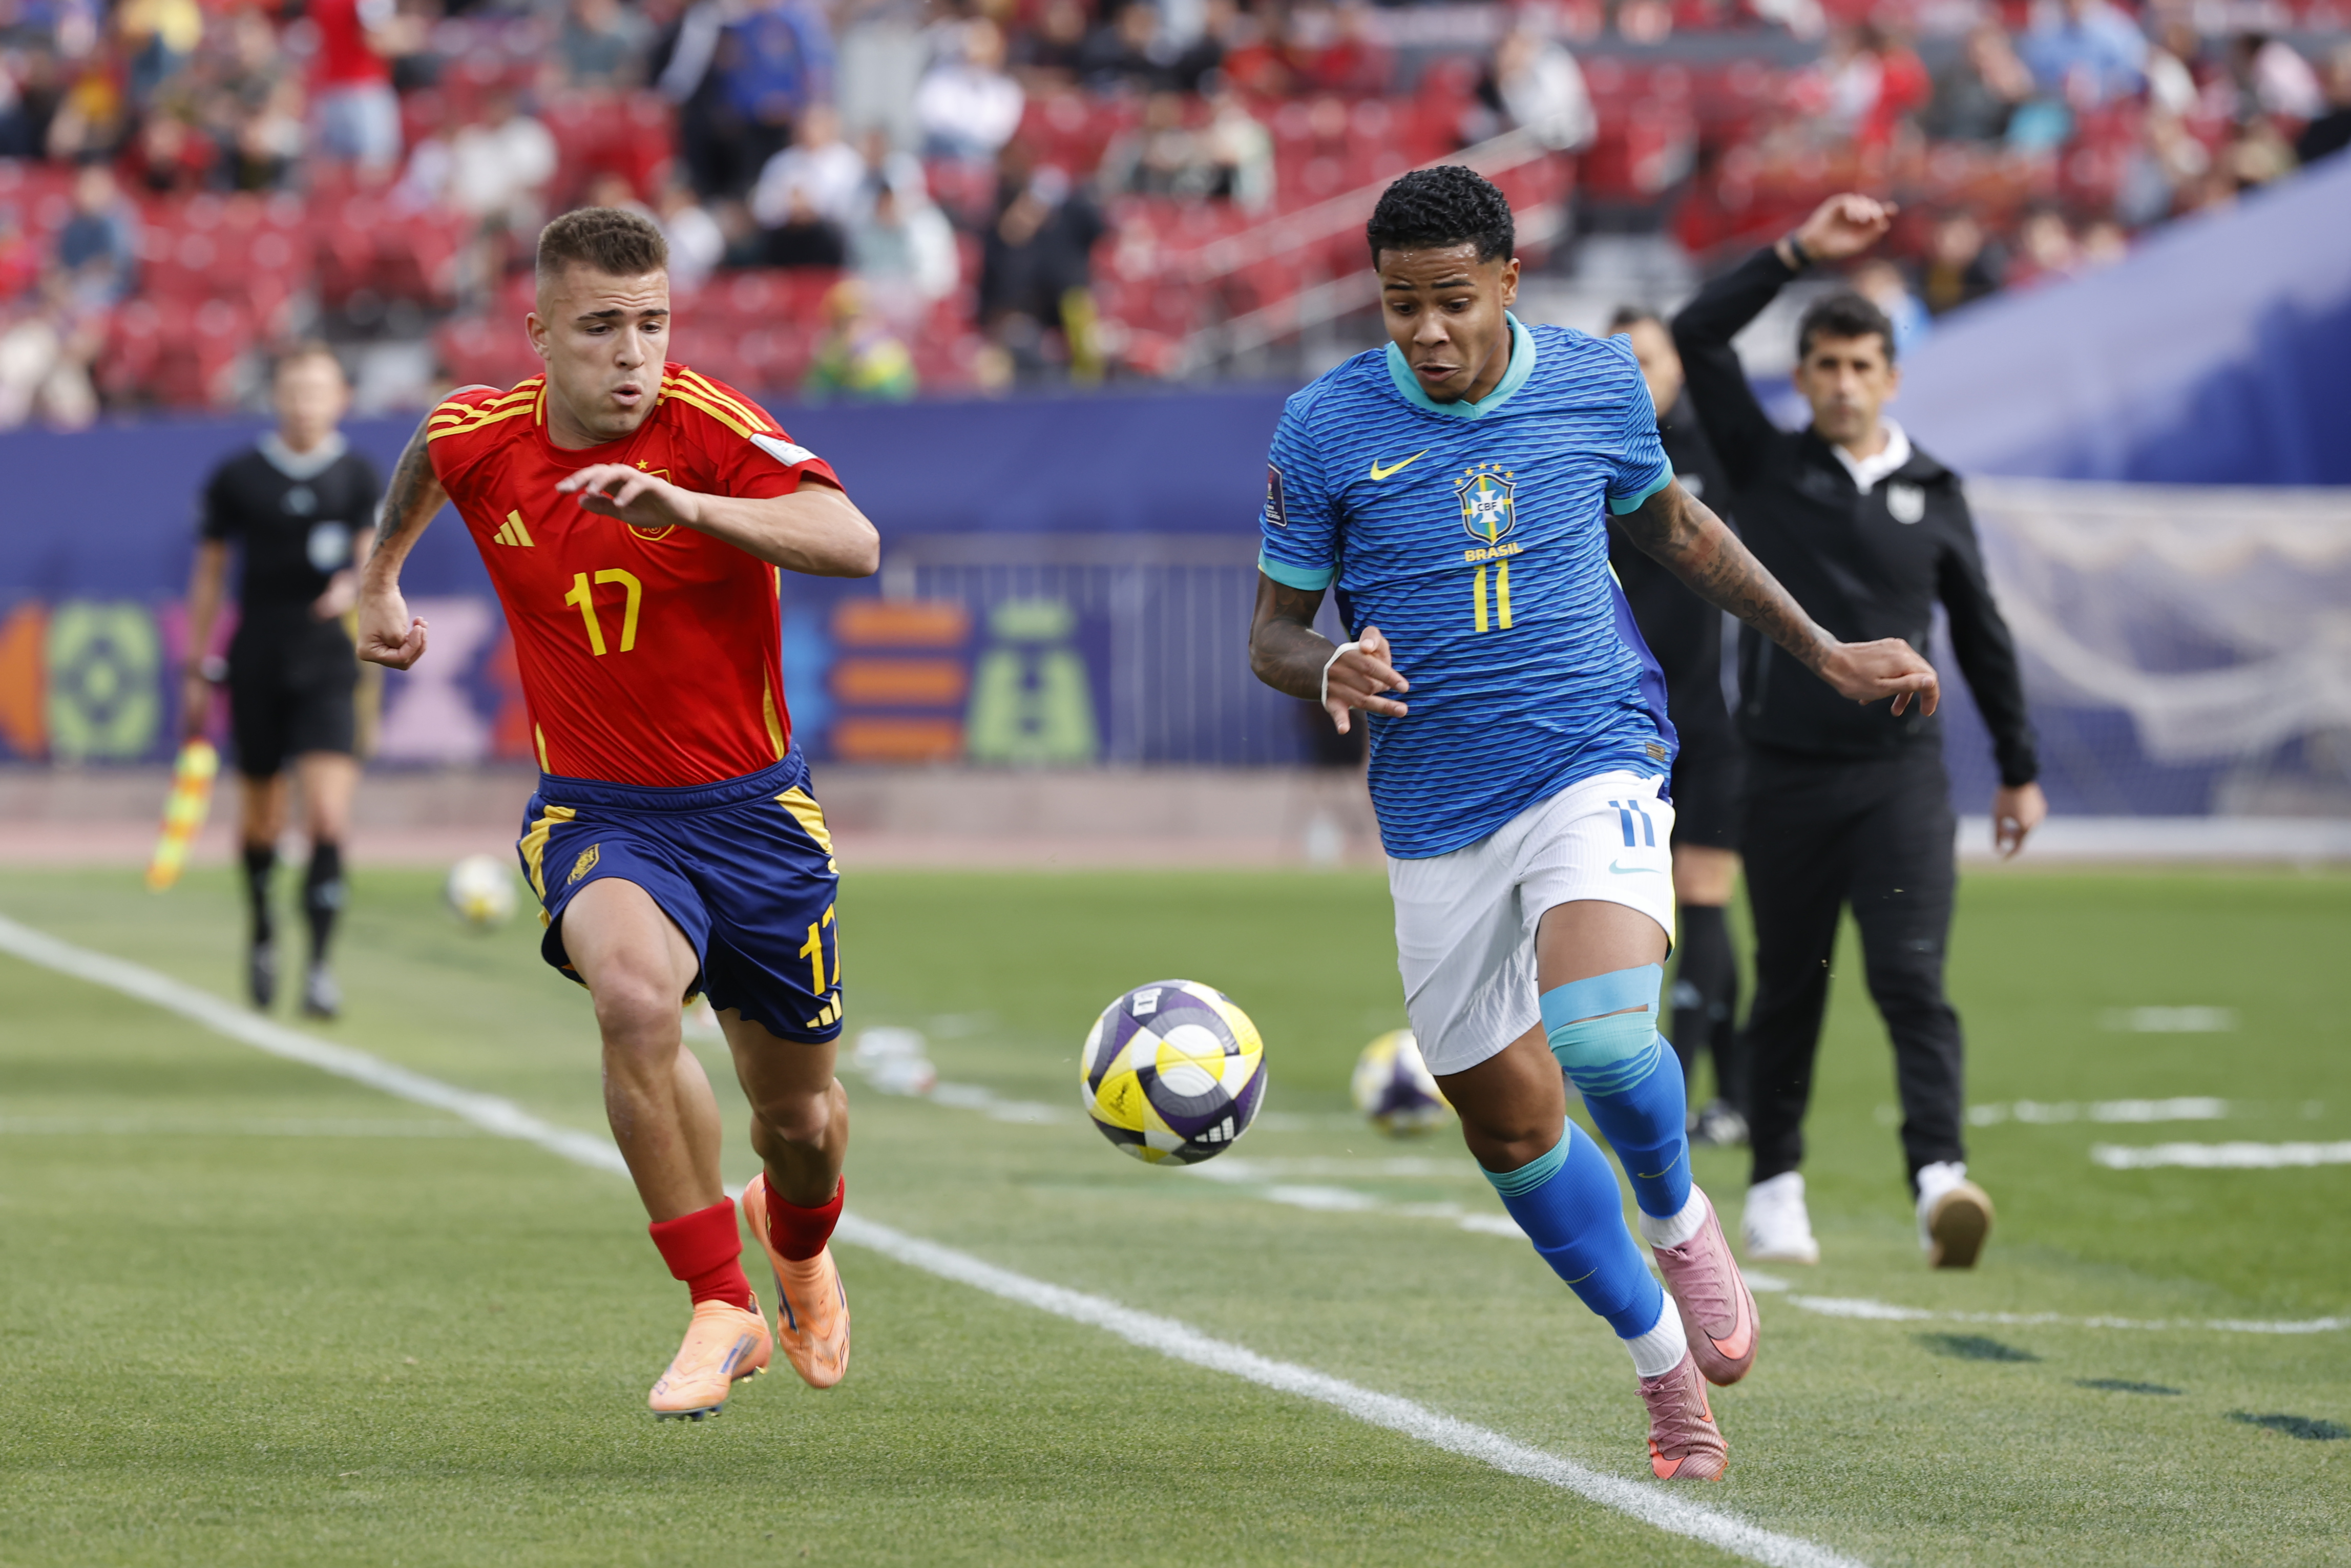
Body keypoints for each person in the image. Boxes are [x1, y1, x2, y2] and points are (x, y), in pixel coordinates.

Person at [1247, 166, 1939, 1479]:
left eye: (1453, 301)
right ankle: (1662, 1368)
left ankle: (1681, 1217)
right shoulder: (1324, 427)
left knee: (1605, 1038)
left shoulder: (1598, 385)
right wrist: (1324, 663)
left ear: (1510, 282)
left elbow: (1681, 532)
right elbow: (1272, 631)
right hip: (1435, 808)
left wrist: (1825, 650)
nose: (1428, 332)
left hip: (1593, 755)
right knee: (1507, 1127)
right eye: (1401, 307)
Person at [354, 208, 880, 1419]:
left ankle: (796, 1245)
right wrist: (379, 577)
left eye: (651, 323)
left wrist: (688, 510)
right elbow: (430, 459)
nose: (633, 353)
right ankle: (719, 1303)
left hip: (758, 819)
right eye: (601, 327)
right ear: (540, 332)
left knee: (798, 1120)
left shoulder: (710, 428)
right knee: (635, 998)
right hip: (599, 811)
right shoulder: (481, 434)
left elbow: (851, 540)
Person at [1670, 193, 2045, 1273]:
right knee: (1792, 983)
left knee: (1912, 980)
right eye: (1823, 366)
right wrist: (1793, 252)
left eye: (1859, 366)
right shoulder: (1764, 466)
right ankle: (1776, 1186)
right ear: (1804, 375)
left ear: (1892, 375)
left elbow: (1982, 634)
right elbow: (1698, 332)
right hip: (1782, 779)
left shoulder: (1937, 490)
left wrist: (2019, 773)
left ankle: (1940, 1181)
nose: (1840, 384)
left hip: (1901, 781)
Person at [180, 344, 380, 1018]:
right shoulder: (238, 476)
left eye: (317, 391)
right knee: (262, 817)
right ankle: (263, 928)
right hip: (257, 655)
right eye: (294, 391)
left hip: (327, 657)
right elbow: (209, 574)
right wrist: (198, 665)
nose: (304, 404)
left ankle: (320, 965)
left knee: (326, 815)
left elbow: (370, 559)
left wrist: (354, 588)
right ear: (277, 397)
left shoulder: (356, 474)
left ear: (340, 399)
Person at [1602, 307, 1745, 1149]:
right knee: (1652, 906)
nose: (1633, 373)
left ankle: (1689, 1095)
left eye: (1647, 358)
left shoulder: (1713, 452)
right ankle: (1732, 1094)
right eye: (1616, 359)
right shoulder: (1582, 459)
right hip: (1623, 724)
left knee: (1705, 902)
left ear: (1677, 367)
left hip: (1712, 719)